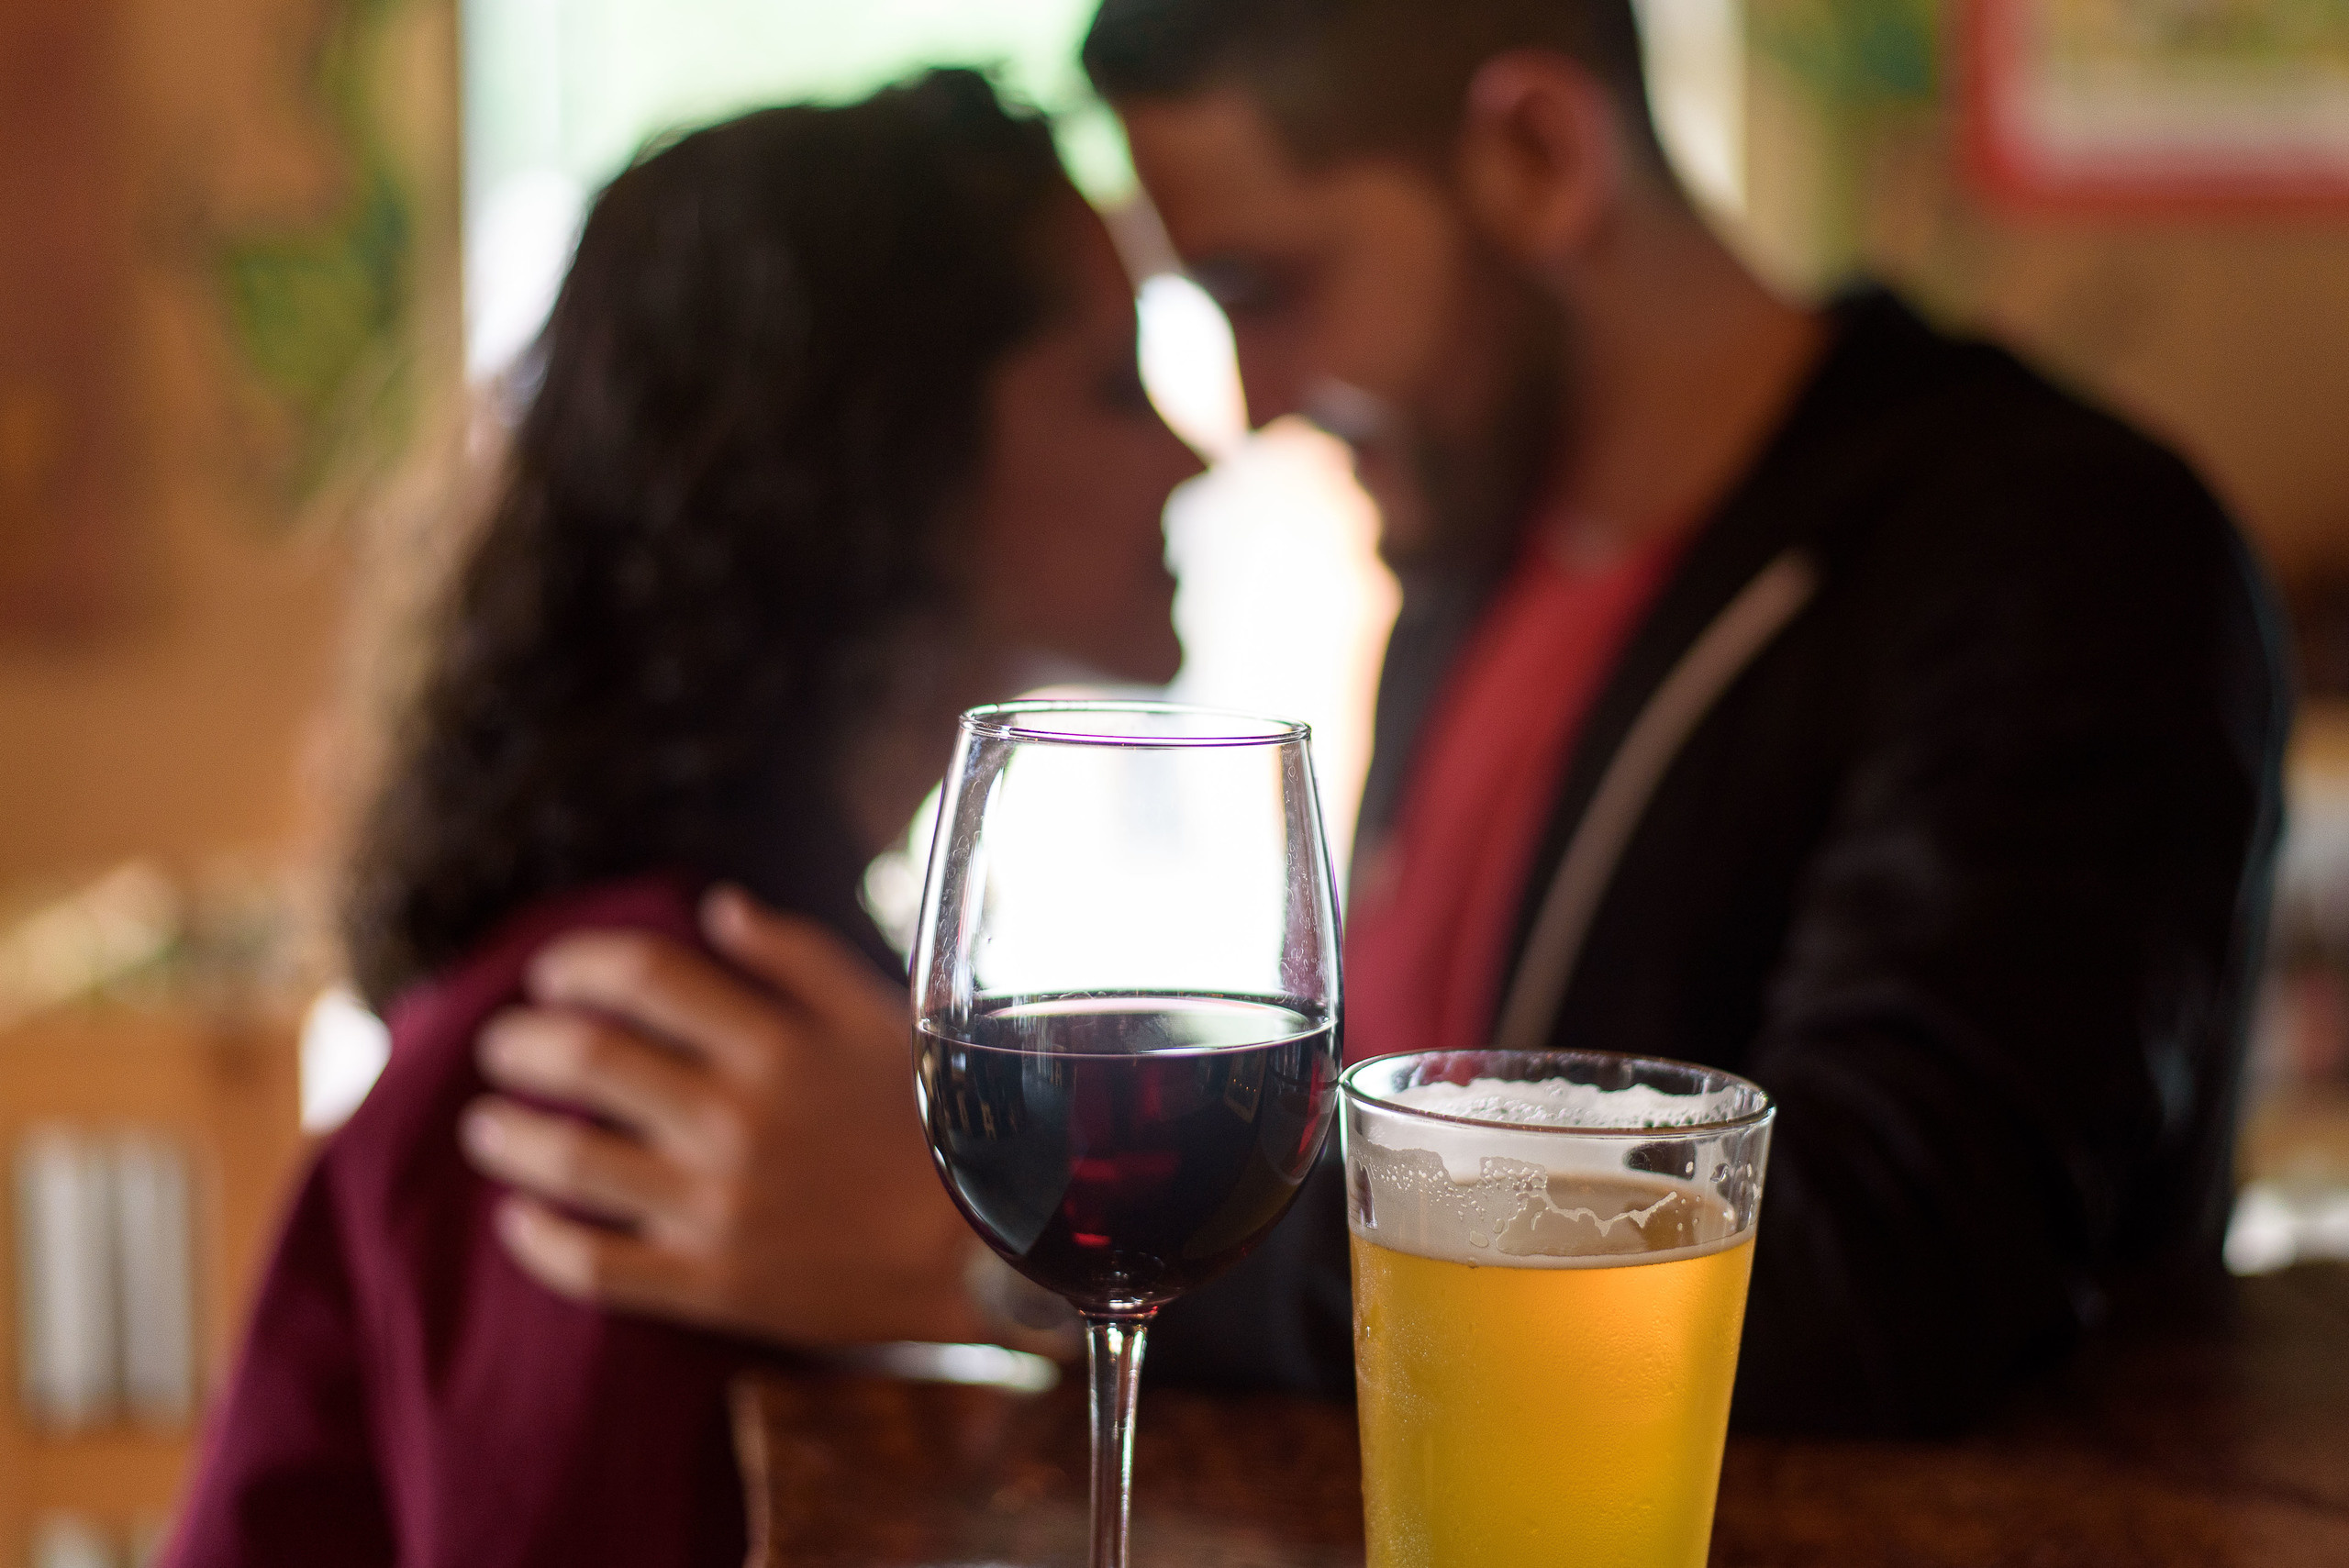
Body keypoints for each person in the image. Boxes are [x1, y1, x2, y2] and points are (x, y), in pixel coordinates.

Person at [457, 0, 2289, 1437]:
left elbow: (1882, 1271)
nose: (1241, 406)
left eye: (1267, 285)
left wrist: (990, 1256)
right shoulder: (1466, 565)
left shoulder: (2049, 548)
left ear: (1536, 154)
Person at [164, 70, 1199, 1567]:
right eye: (1113, 386)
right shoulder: (642, 1037)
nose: (1191, 452)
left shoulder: (750, 976)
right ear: (887, 453)